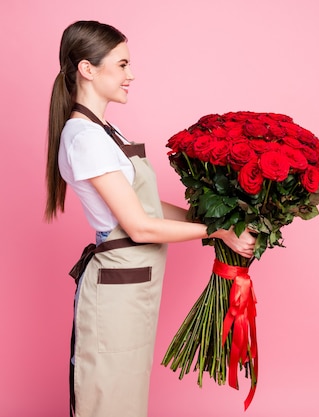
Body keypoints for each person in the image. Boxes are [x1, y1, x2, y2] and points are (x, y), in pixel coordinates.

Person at [44, 20, 256, 417]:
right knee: (107, 399)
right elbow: (139, 227)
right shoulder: (84, 137)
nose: (131, 75)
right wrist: (220, 231)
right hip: (115, 289)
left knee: (126, 397)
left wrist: (214, 220)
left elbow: (146, 206)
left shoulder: (105, 130)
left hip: (131, 287)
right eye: (122, 65)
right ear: (88, 69)